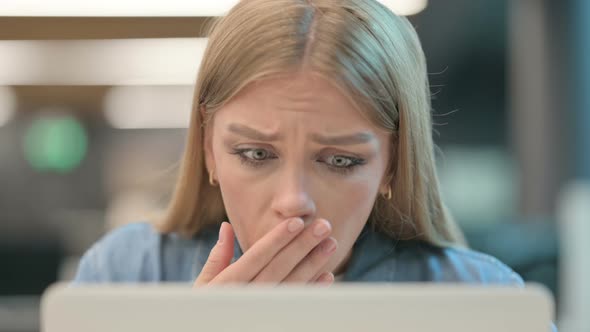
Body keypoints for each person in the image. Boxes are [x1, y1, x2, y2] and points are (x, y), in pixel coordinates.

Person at [74, 0, 523, 287]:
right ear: (209, 149)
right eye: (255, 154)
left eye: (342, 160)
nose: (293, 202)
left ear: (392, 165)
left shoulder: (483, 300)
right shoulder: (126, 274)